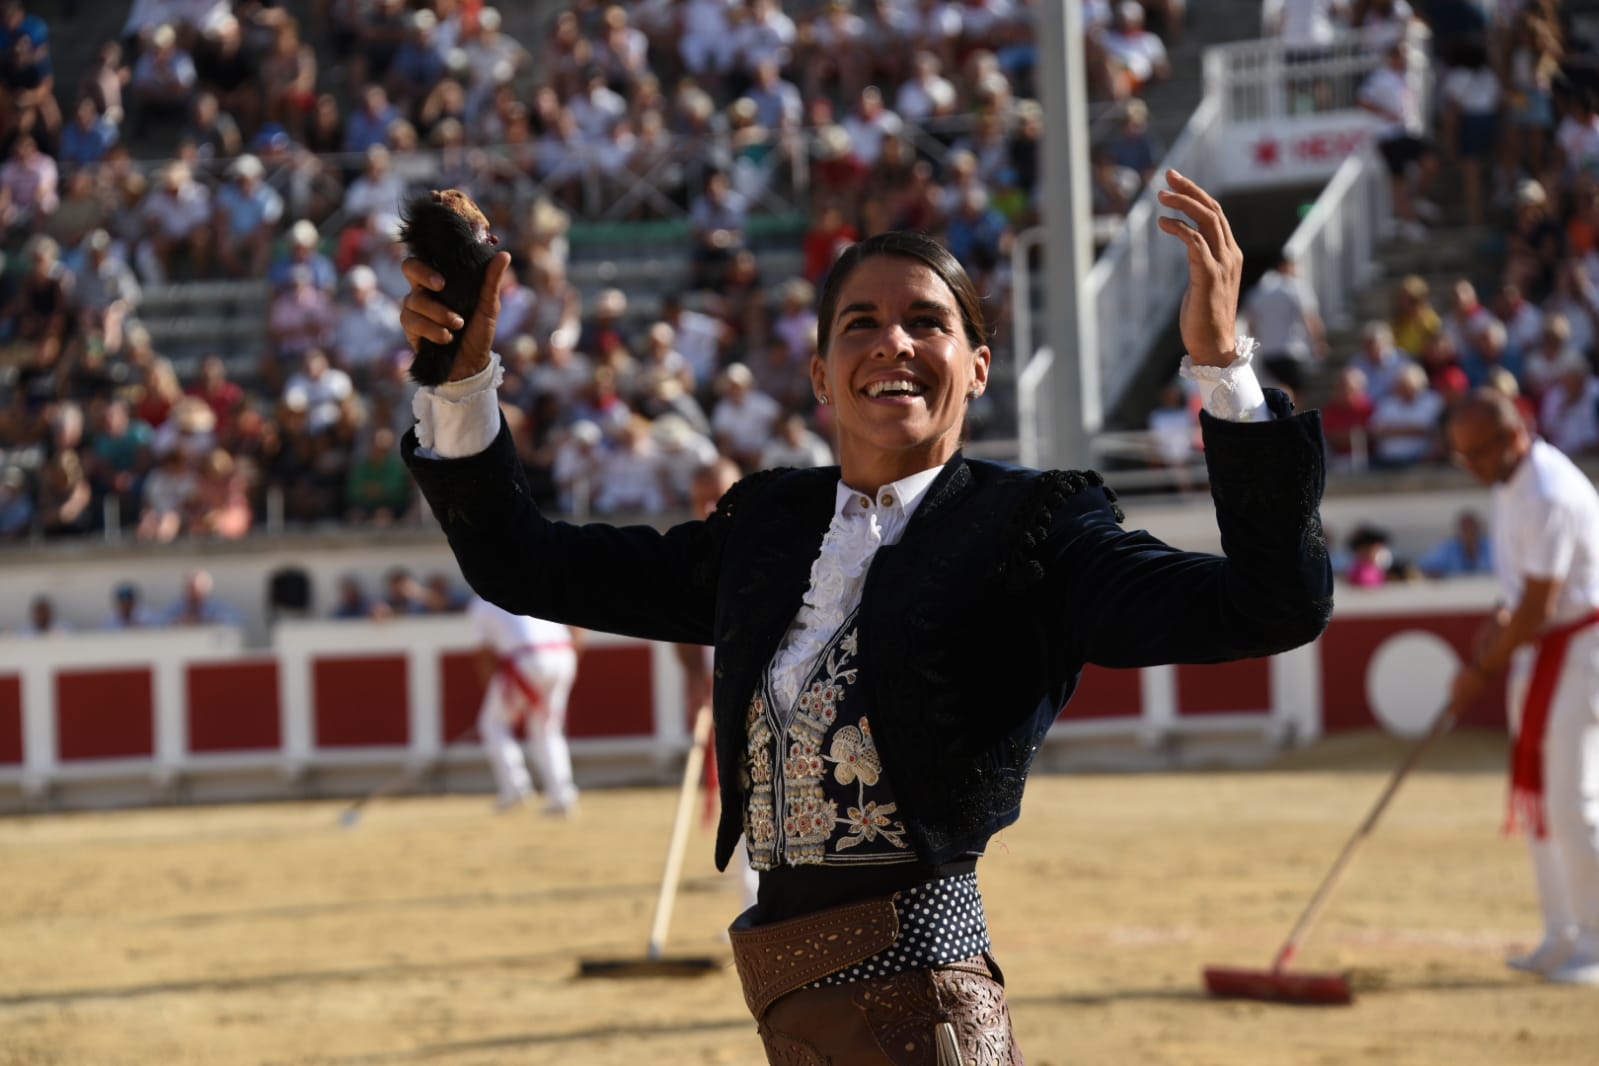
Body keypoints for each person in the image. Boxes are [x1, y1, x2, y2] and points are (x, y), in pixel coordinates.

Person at [399, 170, 1333, 1061]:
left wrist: (1222, 370)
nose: (892, 343)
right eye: (861, 324)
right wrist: (458, 381)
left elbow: (1267, 605)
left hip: (927, 1000)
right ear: (818, 372)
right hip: (789, 1007)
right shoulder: (766, 531)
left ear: (975, 368)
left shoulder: (1035, 529)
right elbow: (522, 563)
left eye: (926, 323)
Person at [1444, 389, 1599, 987]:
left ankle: (1595, 940)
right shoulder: (1512, 485)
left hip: (1579, 652)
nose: (1474, 467)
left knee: (1572, 803)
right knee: (1540, 802)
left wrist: (1480, 671)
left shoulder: (1549, 492)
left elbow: (1537, 607)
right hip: (1542, 653)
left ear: (1514, 436)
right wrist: (1486, 646)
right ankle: (1561, 935)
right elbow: (1517, 604)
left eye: (1479, 453)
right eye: (1463, 457)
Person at [467, 594, 582, 817]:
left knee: (492, 724)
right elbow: (578, 628)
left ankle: (515, 788)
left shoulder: (482, 602)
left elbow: (482, 653)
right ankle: (562, 795)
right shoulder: (532, 585)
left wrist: (494, 694)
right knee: (546, 729)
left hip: (527, 659)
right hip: (563, 655)